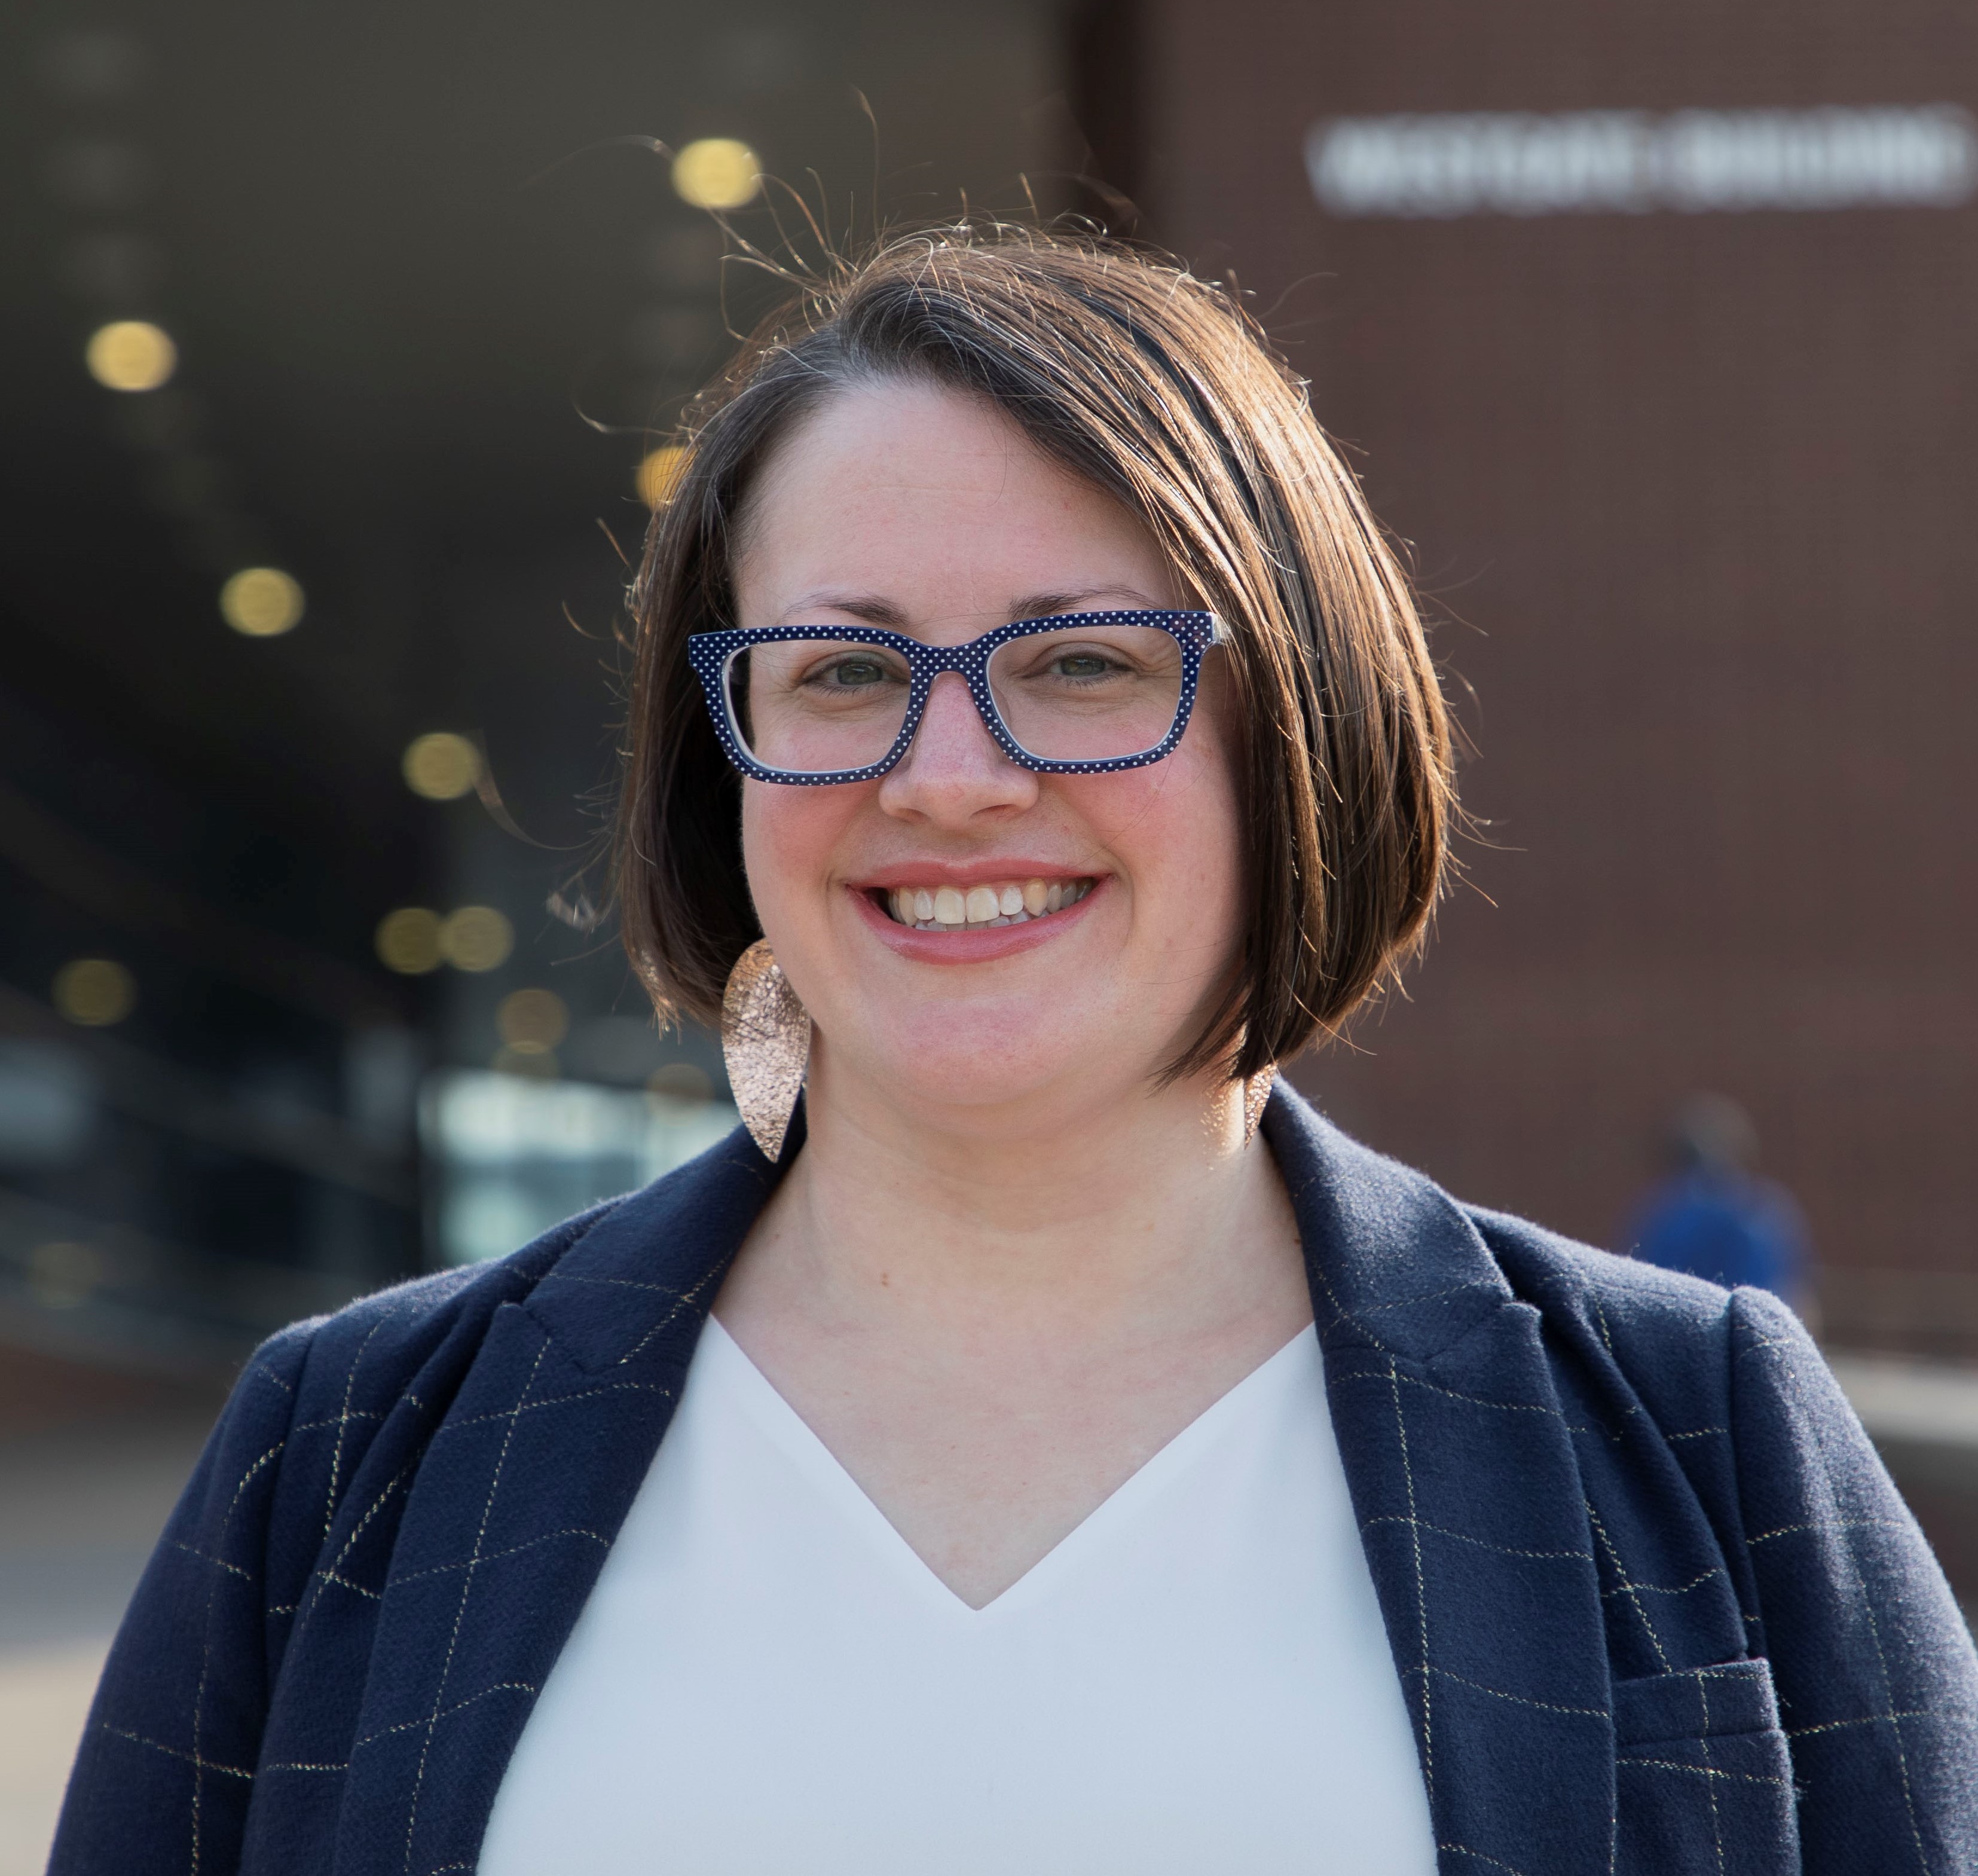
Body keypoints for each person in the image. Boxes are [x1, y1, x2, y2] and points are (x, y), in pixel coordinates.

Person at [52, 227, 1976, 1876]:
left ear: (1292, 726)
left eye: (1080, 661)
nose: (947, 776)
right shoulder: (343, 1456)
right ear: (718, 761)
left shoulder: (1697, 1440)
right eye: (840, 670)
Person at [1627, 1092, 1816, 1315]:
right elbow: (1788, 1286)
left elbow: (1639, 1283)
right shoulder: (1765, 1208)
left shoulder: (1664, 1211)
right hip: (1752, 1328)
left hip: (1676, 1327)